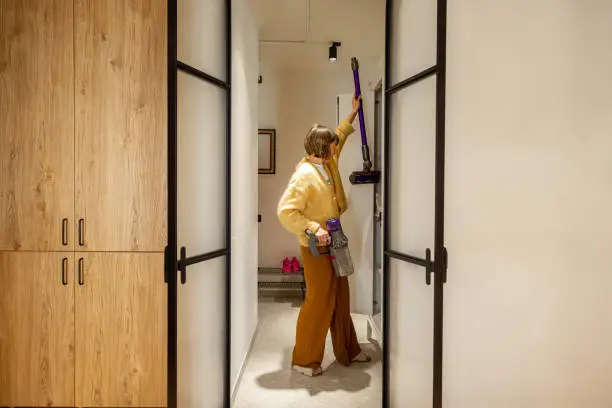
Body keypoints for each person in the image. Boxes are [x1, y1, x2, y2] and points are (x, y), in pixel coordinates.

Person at [277, 94, 371, 377]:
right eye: (332, 144)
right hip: (316, 246)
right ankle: (304, 360)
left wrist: (353, 113)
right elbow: (286, 211)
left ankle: (348, 351)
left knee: (341, 296)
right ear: (321, 147)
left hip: (335, 238)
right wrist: (313, 228)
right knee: (319, 301)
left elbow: (340, 135)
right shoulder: (304, 175)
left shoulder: (327, 162)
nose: (336, 146)